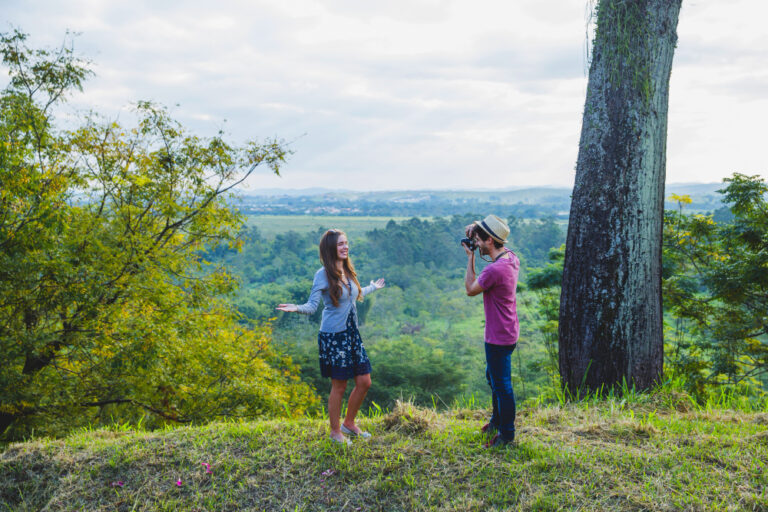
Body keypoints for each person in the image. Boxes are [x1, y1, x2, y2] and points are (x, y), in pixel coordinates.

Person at [277, 229, 385, 445]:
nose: (345, 247)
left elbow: (354, 295)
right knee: (340, 385)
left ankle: (349, 423)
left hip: (352, 334)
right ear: (330, 249)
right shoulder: (323, 274)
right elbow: (312, 306)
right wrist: (296, 308)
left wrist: (373, 287)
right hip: (334, 336)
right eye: (339, 244)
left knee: (364, 381)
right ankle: (335, 432)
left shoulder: (347, 269)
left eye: (346, 243)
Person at [462, 214, 520, 448]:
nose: (476, 244)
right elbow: (493, 236)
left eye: (478, 240)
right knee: (494, 378)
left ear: (489, 241)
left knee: (502, 385)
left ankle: (506, 434)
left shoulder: (494, 271)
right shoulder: (511, 258)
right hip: (509, 331)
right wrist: (476, 228)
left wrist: (470, 258)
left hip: (497, 336)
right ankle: (497, 422)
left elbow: (470, 289)